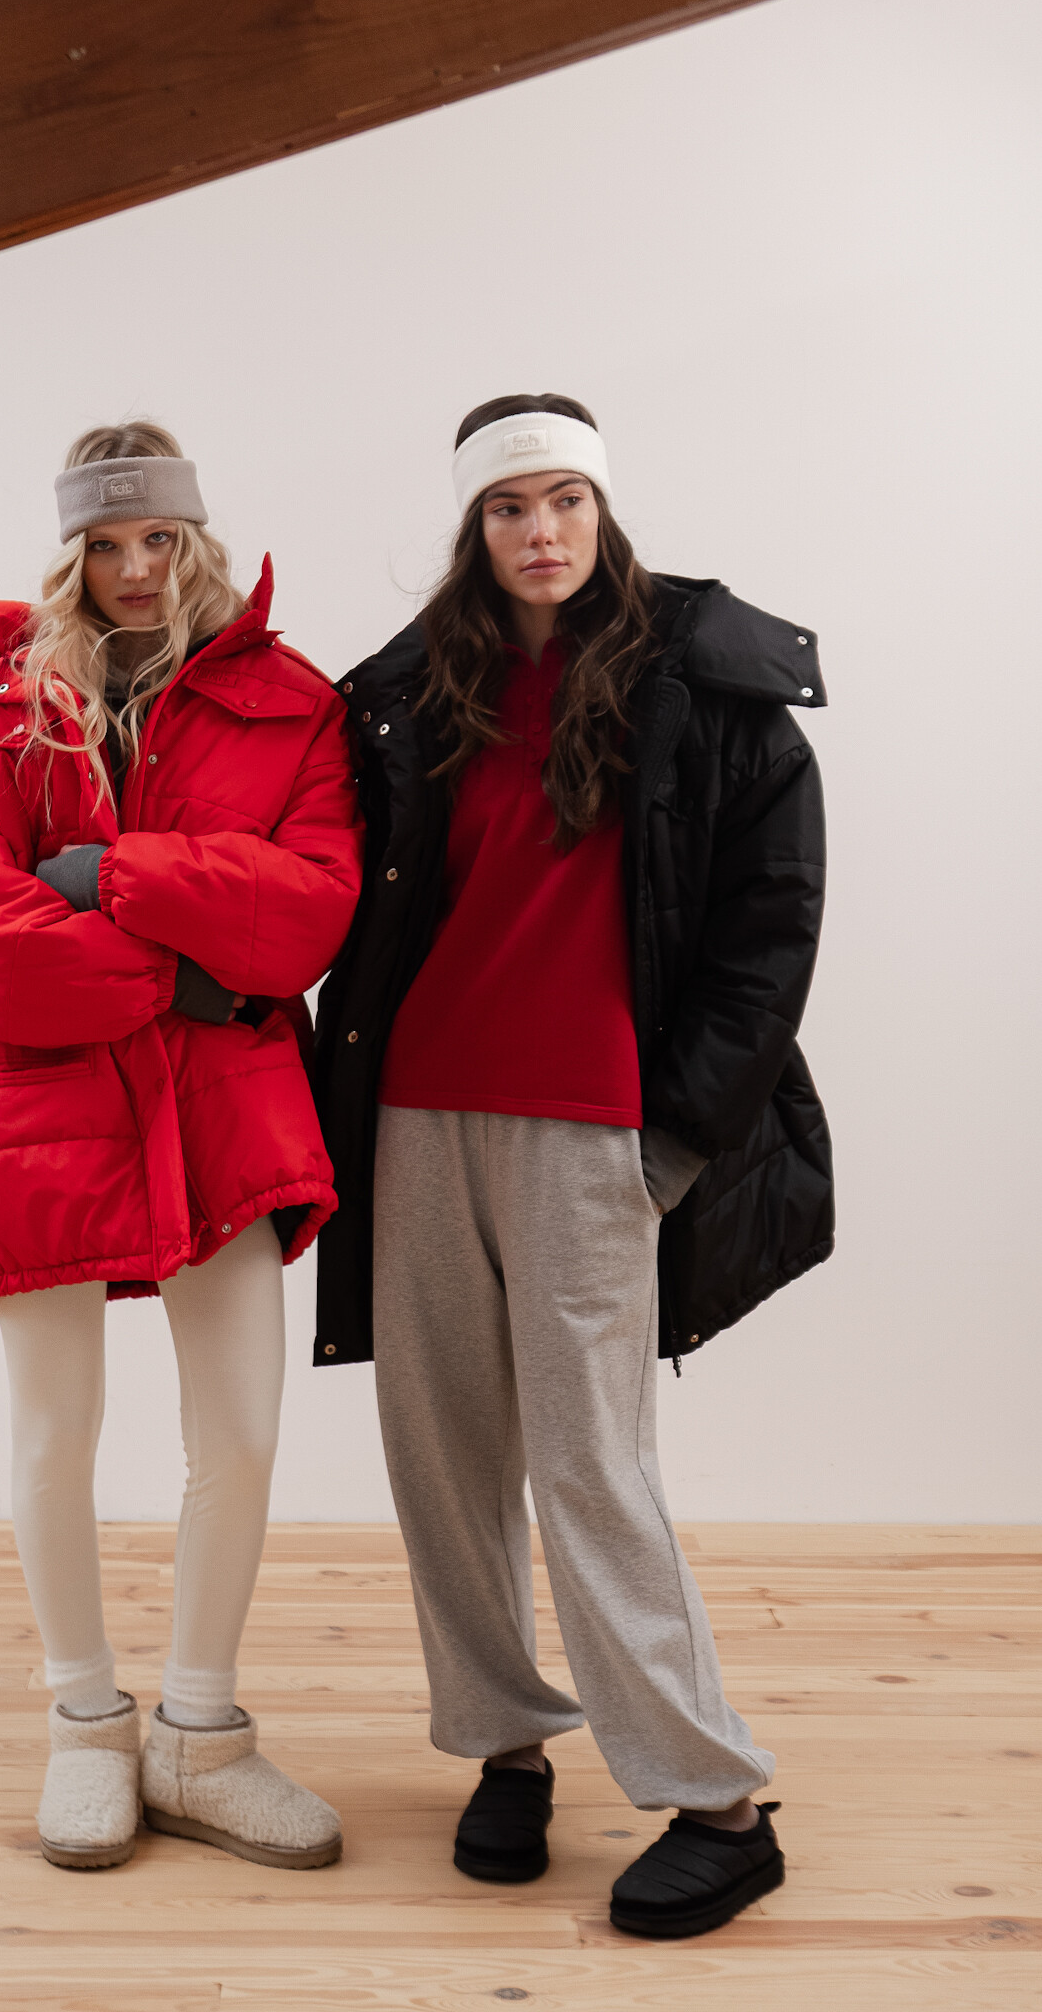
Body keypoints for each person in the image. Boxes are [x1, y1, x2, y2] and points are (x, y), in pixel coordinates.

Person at [314, 393, 832, 1938]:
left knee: (587, 1467)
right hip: (417, 1115)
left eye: (563, 501)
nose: (538, 531)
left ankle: (714, 1803)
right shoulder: (408, 692)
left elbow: (769, 931)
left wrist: (673, 1134)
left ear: (602, 513)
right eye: (506, 507)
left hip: (592, 1128)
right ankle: (504, 1746)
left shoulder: (713, 685)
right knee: (442, 1456)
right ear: (470, 529)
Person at [0, 421, 362, 1873]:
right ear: (70, 554)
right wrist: (184, 969)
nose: (137, 569)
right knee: (57, 1427)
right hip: (42, 1111)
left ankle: (200, 1736)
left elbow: (308, 913)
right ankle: (86, 1724)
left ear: (195, 537)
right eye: (105, 544)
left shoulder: (290, 705)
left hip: (227, 1111)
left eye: (158, 538)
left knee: (240, 1427)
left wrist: (114, 875)